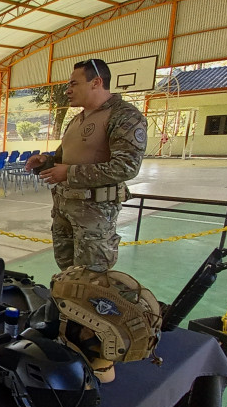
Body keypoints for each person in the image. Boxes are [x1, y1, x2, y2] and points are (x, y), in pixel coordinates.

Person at [25, 58, 147, 272]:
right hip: (65, 210)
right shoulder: (77, 120)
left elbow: (126, 167)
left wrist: (69, 173)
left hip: (95, 216)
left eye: (74, 83)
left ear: (96, 82)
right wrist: (47, 162)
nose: (68, 90)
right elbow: (65, 160)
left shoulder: (123, 116)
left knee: (91, 279)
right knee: (68, 276)